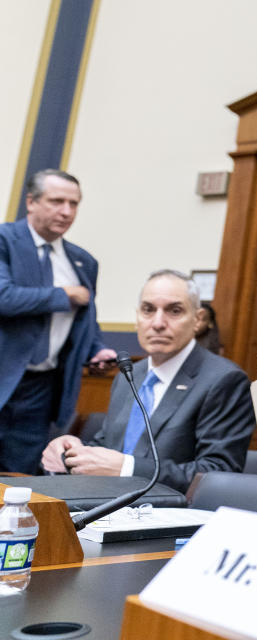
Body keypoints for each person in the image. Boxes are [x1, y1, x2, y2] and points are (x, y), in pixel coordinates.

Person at [41, 270, 254, 493]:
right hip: (106, 504)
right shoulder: (130, 373)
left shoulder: (223, 379)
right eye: (148, 310)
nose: (158, 323)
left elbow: (216, 473)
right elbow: (109, 446)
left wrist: (127, 467)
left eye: (175, 311)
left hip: (170, 515)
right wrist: (72, 452)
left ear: (197, 319)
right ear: (137, 318)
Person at [0, 169, 116, 474]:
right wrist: (64, 295)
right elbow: (3, 297)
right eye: (56, 201)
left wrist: (97, 347)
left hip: (41, 390)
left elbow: (85, 320)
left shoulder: (83, 262)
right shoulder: (4, 240)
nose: (66, 211)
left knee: (22, 481)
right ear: (32, 202)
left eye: (73, 203)